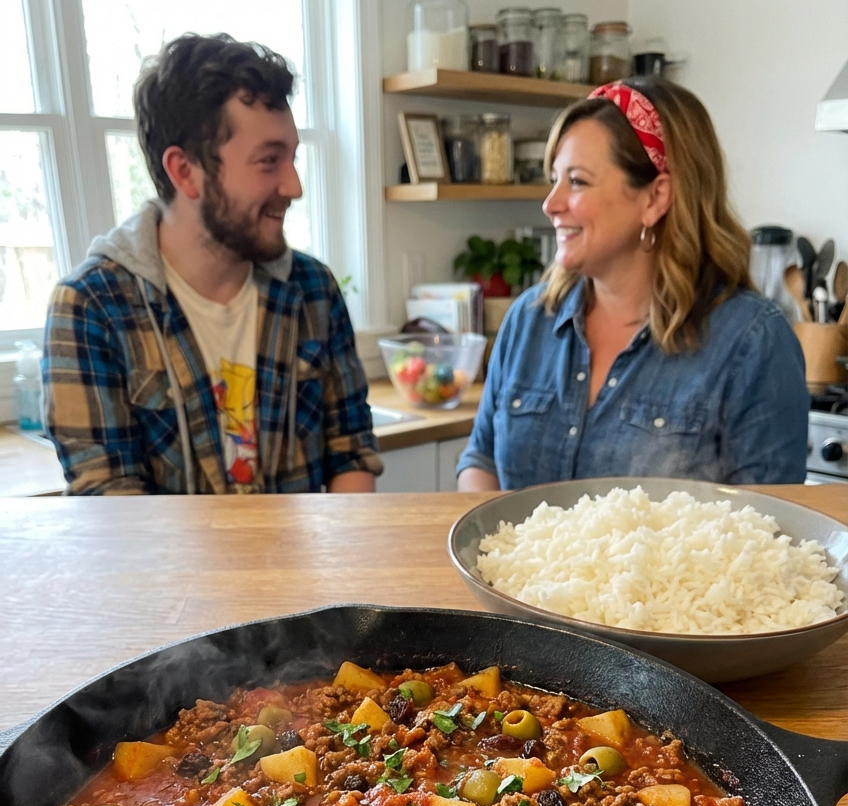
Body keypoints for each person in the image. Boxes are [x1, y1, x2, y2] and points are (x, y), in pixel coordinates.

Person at [43, 34, 381, 495]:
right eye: (269, 161)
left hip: (307, 547)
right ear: (185, 171)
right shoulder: (92, 306)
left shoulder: (312, 289)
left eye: (293, 158)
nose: (294, 186)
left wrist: (344, 541)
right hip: (158, 550)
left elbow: (351, 451)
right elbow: (110, 502)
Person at [456, 79, 808, 491]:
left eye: (577, 181)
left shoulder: (753, 341)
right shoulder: (528, 320)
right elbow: (481, 458)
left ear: (655, 198)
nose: (550, 204)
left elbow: (765, 520)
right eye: (554, 179)